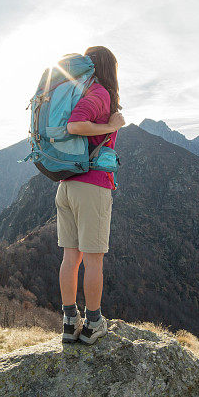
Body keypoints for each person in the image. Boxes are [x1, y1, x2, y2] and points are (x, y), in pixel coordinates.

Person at [57, 46, 125, 345]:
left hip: (67, 185)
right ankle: (93, 323)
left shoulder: (76, 91)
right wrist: (112, 125)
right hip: (91, 185)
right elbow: (75, 125)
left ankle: (70, 321)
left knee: (71, 257)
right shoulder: (99, 94)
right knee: (93, 260)